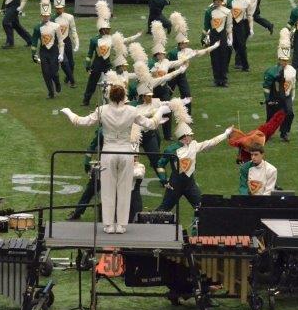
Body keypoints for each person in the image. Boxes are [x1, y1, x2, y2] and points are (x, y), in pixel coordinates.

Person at [62, 77, 168, 234]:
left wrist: (68, 112)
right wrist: (160, 110)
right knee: (124, 189)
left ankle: (109, 225)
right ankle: (121, 225)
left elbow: (81, 121)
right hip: (126, 152)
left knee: (107, 189)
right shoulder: (132, 110)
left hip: (109, 152)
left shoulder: (102, 110)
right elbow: (152, 124)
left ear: (109, 97)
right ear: (124, 97)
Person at [156, 104, 232, 212]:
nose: (192, 136)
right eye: (190, 135)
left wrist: (225, 134)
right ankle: (149, 221)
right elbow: (160, 164)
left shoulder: (194, 145)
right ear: (185, 137)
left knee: (201, 208)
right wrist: (164, 180)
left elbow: (211, 142)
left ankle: (198, 224)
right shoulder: (171, 150)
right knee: (164, 209)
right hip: (175, 184)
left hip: (190, 183)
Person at [262, 28, 296, 141]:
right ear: (279, 59)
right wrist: (267, 99)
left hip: (286, 96)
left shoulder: (292, 70)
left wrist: (292, 96)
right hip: (274, 97)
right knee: (271, 116)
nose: (284, 62)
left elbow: (293, 84)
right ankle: (267, 132)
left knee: (289, 113)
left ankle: (284, 132)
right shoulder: (271, 71)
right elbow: (266, 86)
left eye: (286, 60)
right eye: (282, 60)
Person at [30, 0, 64, 99]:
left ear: (49, 15)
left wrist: (61, 54)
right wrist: (34, 54)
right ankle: (51, 92)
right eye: (43, 15)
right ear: (41, 15)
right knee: (45, 73)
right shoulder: (37, 28)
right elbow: (34, 42)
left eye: (47, 15)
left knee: (54, 72)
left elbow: (60, 41)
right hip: (43, 51)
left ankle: (57, 82)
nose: (45, 17)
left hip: (54, 51)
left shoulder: (56, 26)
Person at [204, 0, 233, 87]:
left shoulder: (227, 11)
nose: (217, 2)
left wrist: (230, 39)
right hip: (213, 36)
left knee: (223, 58)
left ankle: (224, 79)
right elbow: (206, 26)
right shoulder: (209, 12)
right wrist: (205, 38)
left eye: (219, 0)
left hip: (222, 36)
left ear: (222, 0)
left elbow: (229, 26)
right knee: (214, 59)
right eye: (215, 0)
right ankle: (217, 79)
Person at [67, 128, 102, 221]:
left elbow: (91, 148)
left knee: (90, 190)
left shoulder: (102, 131)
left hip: (105, 165)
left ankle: (77, 212)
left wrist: (87, 164)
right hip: (118, 165)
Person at [52, 0, 79, 88]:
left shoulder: (69, 17)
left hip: (67, 41)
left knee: (71, 63)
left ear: (64, 7)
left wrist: (77, 43)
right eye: (57, 8)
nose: (59, 10)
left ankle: (68, 77)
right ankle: (72, 81)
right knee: (64, 62)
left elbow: (73, 31)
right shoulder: (52, 19)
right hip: (57, 43)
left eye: (61, 8)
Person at [227, 0, 253, 72]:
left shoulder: (246, 1)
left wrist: (251, 28)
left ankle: (245, 66)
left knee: (242, 45)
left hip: (241, 24)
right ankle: (226, 66)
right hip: (230, 24)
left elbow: (249, 15)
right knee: (232, 45)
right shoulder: (229, 1)